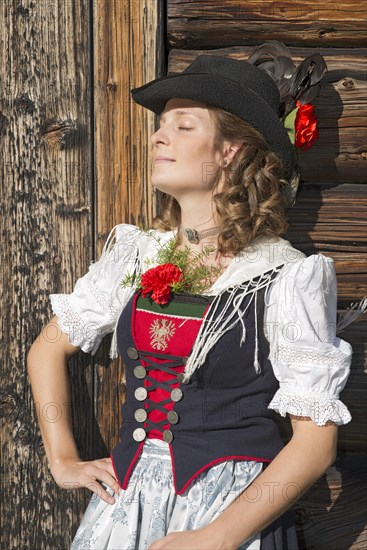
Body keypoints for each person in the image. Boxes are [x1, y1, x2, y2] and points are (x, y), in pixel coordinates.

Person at [27, 42, 360, 550]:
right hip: (127, 508)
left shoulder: (287, 277)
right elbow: (48, 348)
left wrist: (218, 537)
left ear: (232, 151)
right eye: (162, 125)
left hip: (229, 513)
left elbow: (314, 444)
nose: (159, 136)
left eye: (184, 126)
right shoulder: (137, 255)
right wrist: (62, 460)